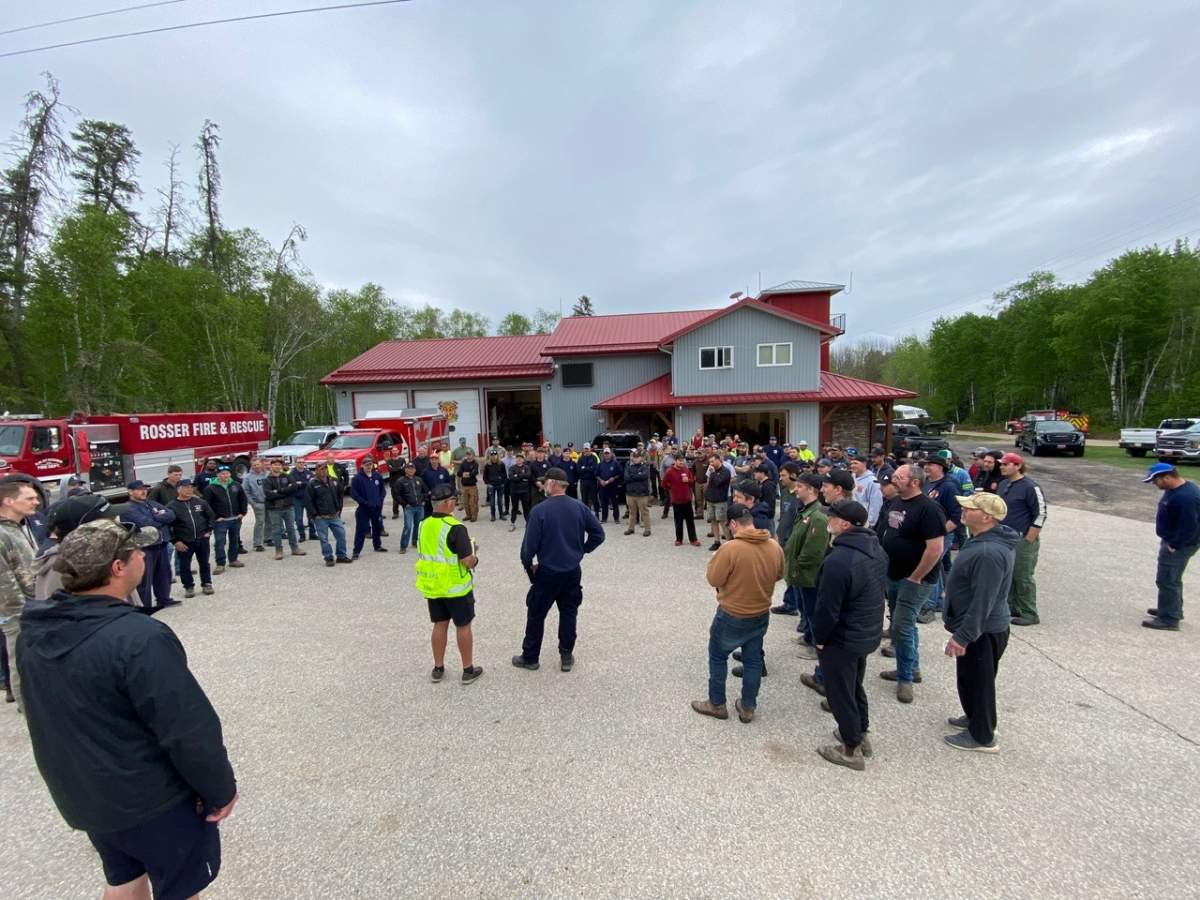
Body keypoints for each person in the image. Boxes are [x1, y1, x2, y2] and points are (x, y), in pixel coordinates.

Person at [18, 519, 237, 900]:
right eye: (136, 551)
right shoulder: (138, 638)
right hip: (151, 799)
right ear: (117, 568)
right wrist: (219, 790)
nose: (143, 556)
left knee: (123, 880)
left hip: (87, 794)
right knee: (181, 888)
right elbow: (187, 728)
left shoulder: (35, 631)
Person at [691, 503, 784, 723]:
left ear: (733, 524)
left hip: (732, 613)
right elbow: (779, 575)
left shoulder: (730, 548)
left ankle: (716, 704)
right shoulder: (774, 546)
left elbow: (714, 579)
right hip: (760, 612)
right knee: (753, 661)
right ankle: (748, 706)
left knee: (717, 656)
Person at [813, 500, 887, 771]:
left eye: (831, 517)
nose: (828, 520)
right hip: (866, 631)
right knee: (854, 685)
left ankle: (850, 748)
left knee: (840, 693)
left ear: (844, 524)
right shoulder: (875, 549)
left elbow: (827, 608)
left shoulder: (839, 560)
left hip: (842, 637)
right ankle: (860, 732)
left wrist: (820, 637)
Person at [942, 491, 1018, 752]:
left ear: (987, 517)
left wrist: (963, 636)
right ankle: (973, 716)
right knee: (969, 678)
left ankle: (983, 736)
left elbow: (984, 600)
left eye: (970, 508)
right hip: (975, 628)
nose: (963, 510)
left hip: (983, 631)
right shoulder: (981, 539)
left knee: (980, 682)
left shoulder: (989, 552)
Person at [513, 467, 605, 672]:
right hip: (572, 571)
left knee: (536, 613)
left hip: (547, 572)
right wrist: (581, 551)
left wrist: (528, 565)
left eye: (546, 482)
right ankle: (566, 655)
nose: (544, 485)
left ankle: (530, 657)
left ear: (553, 484)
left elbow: (529, 546)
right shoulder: (579, 507)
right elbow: (599, 534)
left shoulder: (539, 510)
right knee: (569, 612)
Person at [877, 464, 946, 704]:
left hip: (915, 579)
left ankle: (905, 678)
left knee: (903, 626)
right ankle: (911, 667)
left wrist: (916, 576)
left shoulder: (929, 509)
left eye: (899, 477)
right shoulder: (897, 502)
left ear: (914, 482)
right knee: (901, 623)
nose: (893, 480)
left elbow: (936, 548)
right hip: (894, 573)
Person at [414, 484, 483, 684]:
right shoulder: (455, 527)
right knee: (463, 626)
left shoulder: (423, 525)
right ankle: (468, 669)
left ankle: (438, 667)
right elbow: (467, 561)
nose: (456, 502)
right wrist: (475, 556)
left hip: (434, 585)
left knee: (439, 624)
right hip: (455, 587)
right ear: (446, 503)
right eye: (453, 499)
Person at [1142, 462, 1200, 631]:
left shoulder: (1186, 497)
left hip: (1179, 544)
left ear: (1167, 477)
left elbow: (1190, 526)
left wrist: (1175, 545)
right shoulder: (1176, 490)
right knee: (1172, 578)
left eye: (1155, 481)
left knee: (1167, 579)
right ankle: (1171, 609)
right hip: (1174, 540)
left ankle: (1169, 619)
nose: (1154, 484)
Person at [0, 479, 39, 709]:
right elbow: (4, 582)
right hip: (19, 614)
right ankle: (30, 711)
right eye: (29, 498)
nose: (36, 501)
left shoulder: (19, 528)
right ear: (8, 501)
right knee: (21, 663)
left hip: (34, 608)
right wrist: (22, 613)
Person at [996, 452, 1046, 626]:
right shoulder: (1003, 484)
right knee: (1008, 575)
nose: (1002, 466)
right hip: (1004, 538)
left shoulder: (1031, 487)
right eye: (1001, 464)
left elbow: (1040, 513)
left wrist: (1030, 537)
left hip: (1022, 538)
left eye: (1006, 464)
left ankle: (1029, 612)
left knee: (1022, 576)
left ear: (1017, 466)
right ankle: (1011, 607)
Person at [780, 474, 828, 637]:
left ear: (812, 490)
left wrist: (798, 565)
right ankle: (808, 635)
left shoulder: (818, 515)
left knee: (812, 609)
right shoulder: (805, 510)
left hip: (807, 574)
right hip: (800, 572)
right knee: (804, 607)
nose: (796, 489)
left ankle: (815, 643)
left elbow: (813, 550)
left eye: (800, 486)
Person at [119, 480, 177, 610]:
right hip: (144, 548)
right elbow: (144, 523)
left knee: (163, 574)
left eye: (145, 489)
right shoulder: (127, 508)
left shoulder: (151, 503)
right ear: (130, 492)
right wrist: (160, 518)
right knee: (144, 578)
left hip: (161, 544)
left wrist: (157, 518)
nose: (144, 491)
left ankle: (164, 599)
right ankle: (145, 605)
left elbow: (171, 515)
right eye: (139, 489)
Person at [918, 454, 962, 623]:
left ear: (941, 467)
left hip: (941, 535)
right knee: (938, 568)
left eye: (931, 464)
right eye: (926, 464)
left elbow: (957, 514)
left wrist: (940, 533)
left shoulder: (949, 486)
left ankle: (928, 607)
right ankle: (939, 602)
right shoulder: (928, 483)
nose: (927, 467)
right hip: (928, 534)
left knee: (930, 567)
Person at [167, 479, 216, 598]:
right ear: (179, 489)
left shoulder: (200, 502)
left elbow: (211, 517)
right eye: (186, 487)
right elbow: (167, 527)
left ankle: (207, 583)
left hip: (202, 539)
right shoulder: (171, 506)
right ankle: (188, 586)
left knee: (204, 563)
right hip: (184, 542)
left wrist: (209, 530)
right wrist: (175, 541)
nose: (189, 489)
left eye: (191, 487)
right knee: (185, 565)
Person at [202, 466, 247, 574]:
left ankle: (233, 559)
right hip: (221, 521)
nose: (225, 475)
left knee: (235, 540)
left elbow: (243, 499)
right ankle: (220, 563)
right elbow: (207, 505)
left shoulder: (236, 485)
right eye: (222, 473)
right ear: (217, 475)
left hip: (235, 519)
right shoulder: (210, 488)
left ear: (230, 474)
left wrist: (242, 512)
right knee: (220, 542)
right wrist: (216, 517)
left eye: (227, 473)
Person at [307, 464, 351, 566]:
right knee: (324, 539)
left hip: (334, 516)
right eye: (321, 469)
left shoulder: (333, 480)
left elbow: (339, 495)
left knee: (341, 535)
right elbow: (309, 501)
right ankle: (329, 558)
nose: (323, 471)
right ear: (316, 471)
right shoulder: (312, 484)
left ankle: (341, 556)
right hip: (321, 518)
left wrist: (338, 509)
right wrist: (315, 515)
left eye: (325, 469)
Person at [264, 459, 305, 561]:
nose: (277, 467)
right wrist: (286, 491)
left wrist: (278, 491)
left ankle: (295, 548)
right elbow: (268, 494)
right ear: (271, 466)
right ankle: (279, 551)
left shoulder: (287, 476)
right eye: (275, 465)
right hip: (274, 508)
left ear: (281, 466)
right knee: (276, 531)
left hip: (288, 507)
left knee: (291, 528)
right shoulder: (267, 480)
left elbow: (294, 487)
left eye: (279, 465)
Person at [349, 457, 388, 559]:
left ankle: (377, 545)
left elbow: (382, 490)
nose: (369, 467)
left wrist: (380, 501)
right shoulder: (357, 478)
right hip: (364, 509)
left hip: (376, 507)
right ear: (362, 466)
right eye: (366, 465)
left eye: (370, 465)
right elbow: (353, 494)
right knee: (361, 530)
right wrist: (364, 502)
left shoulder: (377, 476)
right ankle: (356, 551)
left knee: (377, 527)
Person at [662, 456, 700, 546]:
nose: (681, 463)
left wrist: (688, 480)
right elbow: (663, 484)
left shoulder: (686, 470)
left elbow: (691, 482)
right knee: (678, 521)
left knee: (690, 521)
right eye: (680, 461)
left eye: (683, 461)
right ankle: (679, 539)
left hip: (687, 499)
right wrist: (672, 489)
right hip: (676, 501)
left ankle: (693, 539)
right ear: (675, 461)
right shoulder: (669, 471)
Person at [704, 452, 732, 551]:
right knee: (713, 520)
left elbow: (718, 482)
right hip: (711, 500)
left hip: (720, 501)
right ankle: (717, 541)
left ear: (718, 460)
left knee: (723, 522)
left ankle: (729, 543)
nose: (710, 464)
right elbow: (709, 483)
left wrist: (713, 473)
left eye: (712, 461)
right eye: (709, 462)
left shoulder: (725, 471)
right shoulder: (712, 471)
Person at [622, 449, 653, 537]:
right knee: (632, 512)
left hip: (642, 494)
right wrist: (637, 475)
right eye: (634, 457)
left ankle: (647, 529)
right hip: (630, 493)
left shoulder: (645, 466)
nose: (635, 459)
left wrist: (633, 476)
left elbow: (644, 476)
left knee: (644, 512)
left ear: (641, 458)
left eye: (637, 457)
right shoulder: (628, 465)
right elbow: (626, 477)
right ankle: (631, 528)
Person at [242, 458, 270, 552]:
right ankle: (257, 543)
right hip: (258, 503)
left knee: (269, 520)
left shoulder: (267, 474)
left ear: (261, 465)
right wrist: (252, 503)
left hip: (269, 501)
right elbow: (245, 491)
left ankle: (268, 538)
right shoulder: (247, 477)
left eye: (258, 464)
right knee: (260, 522)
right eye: (254, 465)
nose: (257, 466)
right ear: (251, 466)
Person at [849, 456, 884, 528]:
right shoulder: (851, 477)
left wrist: (870, 523)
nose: (852, 466)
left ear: (864, 464)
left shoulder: (872, 481)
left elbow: (876, 504)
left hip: (865, 523)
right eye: (851, 463)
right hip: (852, 519)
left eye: (855, 463)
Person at [288, 460, 317, 541]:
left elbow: (312, 483)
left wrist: (301, 483)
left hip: (308, 498)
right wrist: (305, 483)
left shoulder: (308, 472)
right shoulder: (292, 473)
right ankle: (302, 535)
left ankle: (312, 534)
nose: (301, 464)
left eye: (302, 462)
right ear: (295, 463)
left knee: (311, 517)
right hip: (297, 499)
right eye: (299, 462)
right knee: (298, 518)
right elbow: (293, 484)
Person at [507, 452, 533, 532]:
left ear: (523, 459)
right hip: (514, 491)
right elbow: (511, 477)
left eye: (521, 458)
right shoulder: (512, 468)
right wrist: (522, 477)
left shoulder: (527, 467)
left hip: (525, 491)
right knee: (514, 508)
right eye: (517, 458)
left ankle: (528, 524)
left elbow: (528, 476)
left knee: (526, 508)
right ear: (516, 459)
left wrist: (517, 476)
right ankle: (512, 523)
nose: (519, 459)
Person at [596, 449, 623, 524]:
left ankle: (616, 518)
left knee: (615, 503)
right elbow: (596, 474)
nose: (606, 455)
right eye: (605, 453)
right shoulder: (600, 464)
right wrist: (600, 480)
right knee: (604, 503)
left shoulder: (616, 463)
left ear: (611, 454)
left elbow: (620, 473)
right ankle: (604, 518)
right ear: (603, 455)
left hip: (613, 486)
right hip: (603, 486)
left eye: (608, 453)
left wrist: (613, 478)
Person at [752, 465, 778, 537]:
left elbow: (770, 503)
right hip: (762, 515)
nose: (754, 473)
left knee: (769, 537)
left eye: (756, 472)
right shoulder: (761, 484)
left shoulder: (768, 485)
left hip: (767, 517)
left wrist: (767, 515)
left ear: (762, 473)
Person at [457, 448, 480, 522]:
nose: (468, 456)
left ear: (472, 455)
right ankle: (468, 515)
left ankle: (474, 516)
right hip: (464, 486)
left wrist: (466, 474)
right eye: (467, 454)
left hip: (472, 486)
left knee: (473, 502)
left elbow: (475, 473)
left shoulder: (475, 463)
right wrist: (467, 474)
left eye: (470, 454)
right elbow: (459, 473)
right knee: (466, 502)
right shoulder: (463, 463)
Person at [483, 450, 507, 521]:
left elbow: (505, 475)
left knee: (500, 502)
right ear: (490, 456)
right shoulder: (487, 465)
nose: (494, 457)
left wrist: (503, 483)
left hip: (500, 485)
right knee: (492, 502)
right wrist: (488, 484)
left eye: (495, 455)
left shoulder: (501, 464)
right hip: (491, 486)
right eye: (492, 455)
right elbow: (485, 476)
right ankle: (493, 515)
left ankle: (501, 515)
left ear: (497, 456)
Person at [577, 444, 600, 513]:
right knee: (584, 499)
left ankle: (597, 515)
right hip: (583, 481)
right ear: (583, 449)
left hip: (592, 481)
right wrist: (589, 468)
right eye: (585, 449)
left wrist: (584, 468)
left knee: (594, 498)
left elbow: (594, 469)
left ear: (590, 449)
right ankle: (585, 515)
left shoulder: (594, 458)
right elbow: (578, 470)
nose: (586, 450)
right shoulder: (580, 458)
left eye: (587, 449)